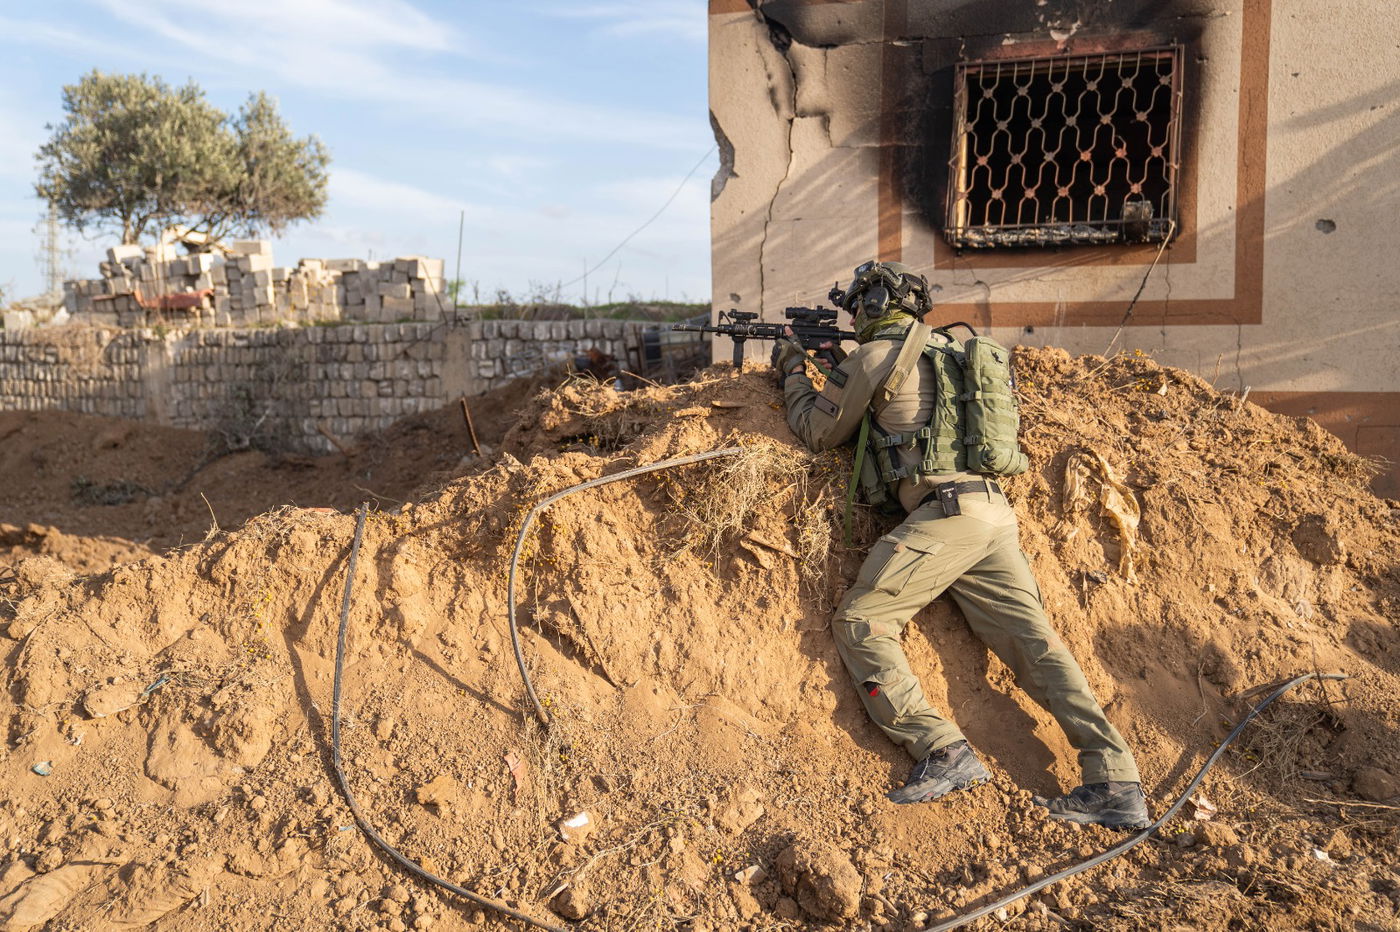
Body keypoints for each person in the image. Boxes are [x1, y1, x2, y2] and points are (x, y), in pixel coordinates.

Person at [772, 260, 1149, 830]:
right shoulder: (953, 352)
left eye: (858, 306)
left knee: (861, 621)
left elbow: (818, 431)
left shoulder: (875, 358)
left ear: (869, 307)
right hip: (992, 513)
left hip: (943, 515)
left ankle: (941, 749)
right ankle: (1116, 778)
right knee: (1035, 645)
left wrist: (793, 370)